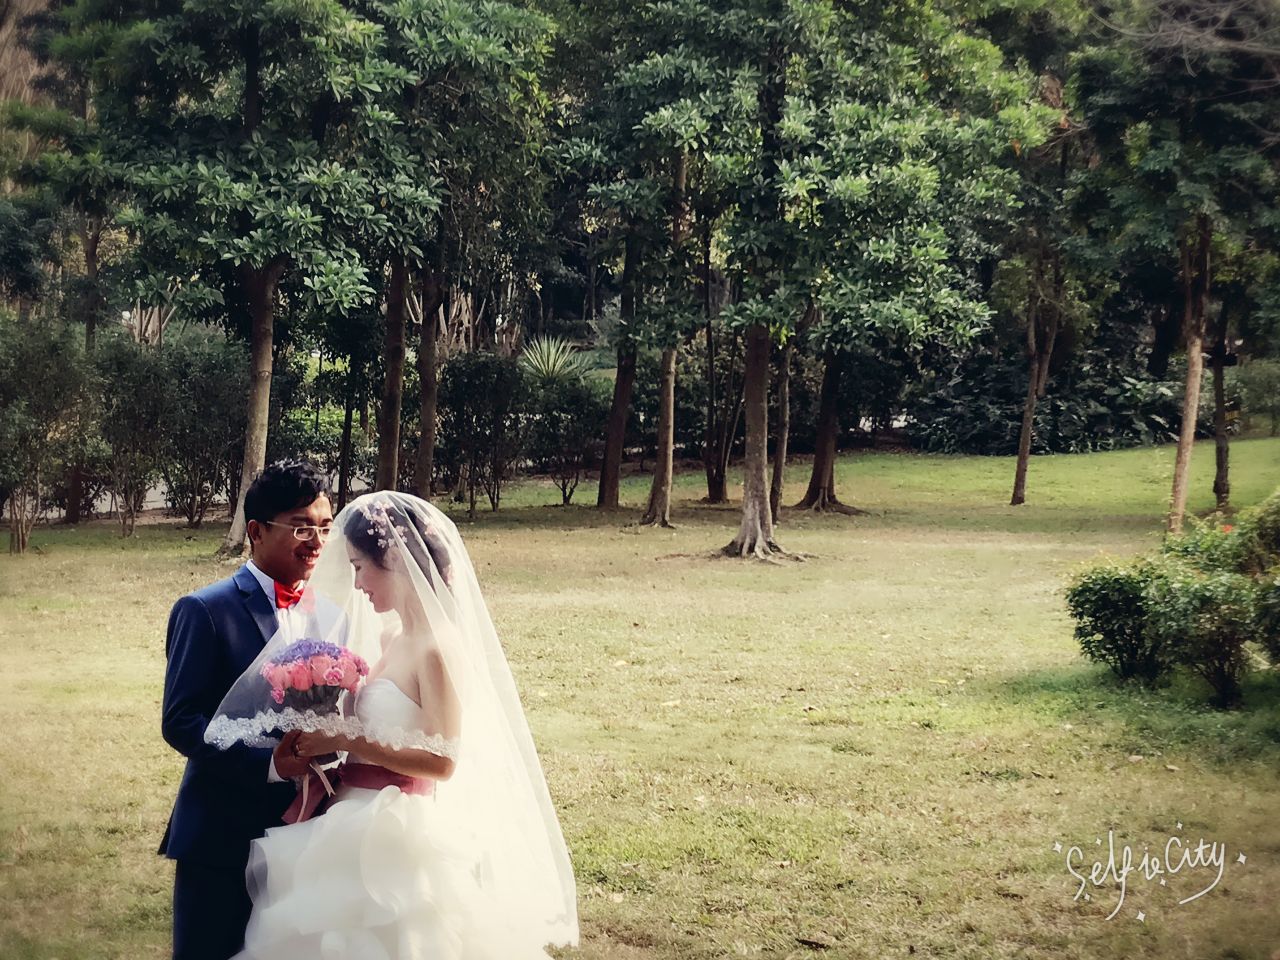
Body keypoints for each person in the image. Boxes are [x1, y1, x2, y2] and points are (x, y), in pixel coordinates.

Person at [206, 491, 579, 959]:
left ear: (397, 562)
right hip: (346, 815)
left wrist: (347, 737)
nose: (357, 583)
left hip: (396, 831)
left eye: (360, 567)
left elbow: (443, 761)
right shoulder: (391, 636)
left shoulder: (437, 649)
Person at [160, 460, 335, 960]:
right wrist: (269, 764)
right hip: (222, 835)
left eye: (325, 527)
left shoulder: (331, 613)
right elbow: (181, 722)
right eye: (301, 527)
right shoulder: (204, 610)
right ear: (256, 531)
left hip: (306, 833)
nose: (317, 541)